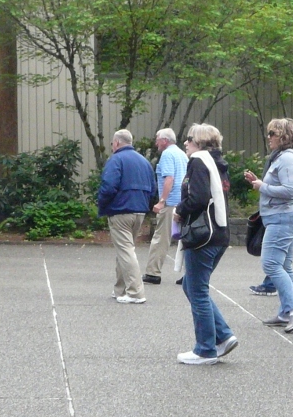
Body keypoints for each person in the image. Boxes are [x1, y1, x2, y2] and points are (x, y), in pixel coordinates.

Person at [174, 124, 235, 365]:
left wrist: (180, 210)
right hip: (219, 234)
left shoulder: (199, 161)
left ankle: (205, 349)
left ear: (199, 142)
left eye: (189, 140)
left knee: (197, 290)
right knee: (192, 285)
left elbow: (198, 197)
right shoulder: (218, 163)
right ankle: (223, 335)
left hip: (203, 236)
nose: (185, 144)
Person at [243, 118, 293, 333]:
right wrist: (261, 184)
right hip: (283, 215)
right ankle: (287, 311)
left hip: (283, 216)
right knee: (285, 265)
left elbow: (290, 190)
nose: (268, 138)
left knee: (271, 264)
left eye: (272, 134)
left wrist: (263, 186)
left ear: (283, 136)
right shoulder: (285, 157)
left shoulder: (287, 159)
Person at [97, 129, 158, 304]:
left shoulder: (115, 159)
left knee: (125, 250)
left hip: (120, 210)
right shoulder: (144, 162)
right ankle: (120, 289)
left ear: (116, 143)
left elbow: (108, 186)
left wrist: (102, 205)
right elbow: (153, 188)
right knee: (124, 249)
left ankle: (135, 292)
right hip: (139, 211)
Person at [144, 128, 188, 286]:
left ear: (165, 140)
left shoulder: (167, 154)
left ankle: (153, 272)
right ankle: (189, 274)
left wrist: (162, 200)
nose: (156, 142)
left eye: (157, 139)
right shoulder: (182, 154)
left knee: (161, 238)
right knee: (186, 239)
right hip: (183, 202)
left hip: (170, 203)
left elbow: (169, 178)